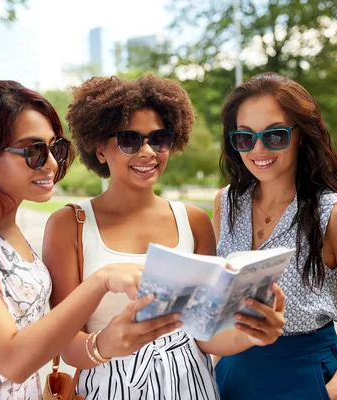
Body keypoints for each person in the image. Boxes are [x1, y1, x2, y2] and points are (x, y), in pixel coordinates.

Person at [0, 80, 180, 399]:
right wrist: (102, 281)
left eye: (56, 148)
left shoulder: (5, 225)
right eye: (33, 151)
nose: (52, 163)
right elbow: (11, 360)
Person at [42, 75, 286, 400]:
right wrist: (106, 343)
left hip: (193, 384)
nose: (147, 152)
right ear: (99, 148)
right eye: (129, 140)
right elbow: (62, 342)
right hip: (110, 387)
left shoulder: (194, 221)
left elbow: (205, 335)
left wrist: (254, 333)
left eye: (159, 139)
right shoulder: (69, 224)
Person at [213, 72, 337, 399]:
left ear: (302, 135)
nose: (258, 149)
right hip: (232, 376)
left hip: (308, 378)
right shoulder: (225, 203)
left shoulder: (335, 214)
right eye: (244, 137)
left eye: (275, 135)